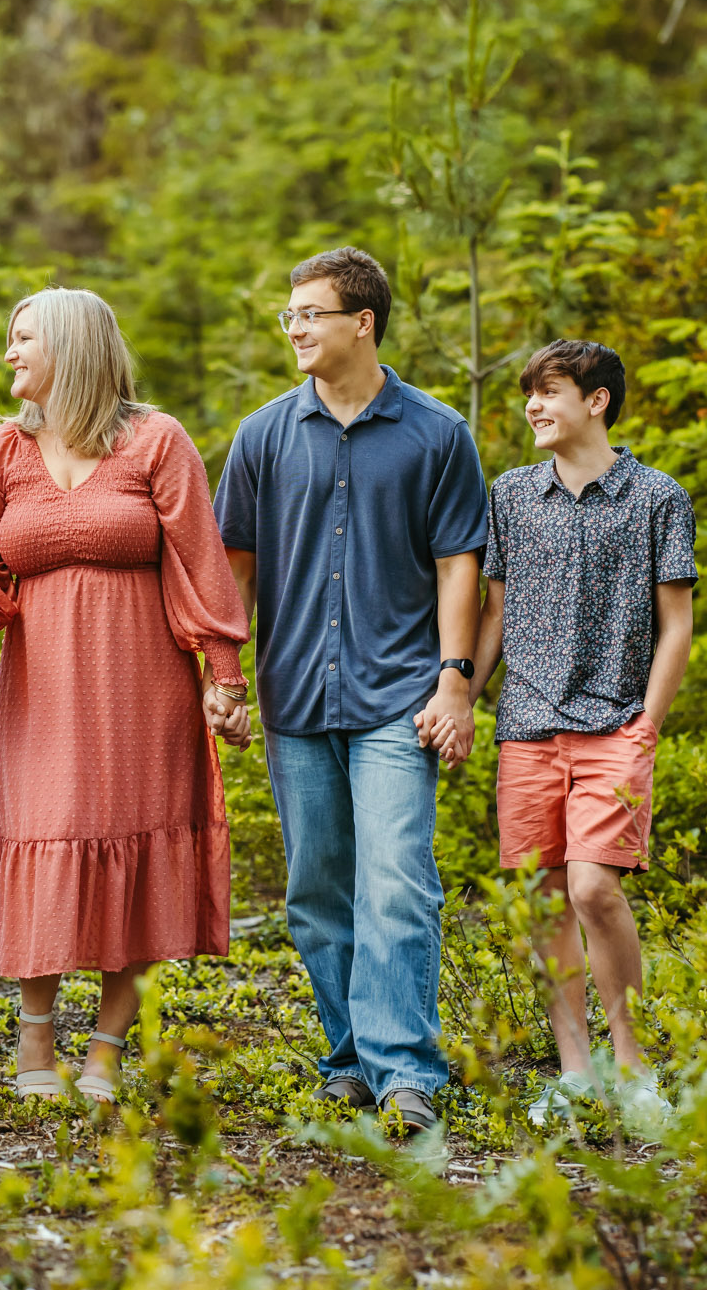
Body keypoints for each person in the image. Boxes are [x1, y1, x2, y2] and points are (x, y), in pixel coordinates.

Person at [0, 289, 252, 1103]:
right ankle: (35, 1040)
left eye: (24, 338)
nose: (10, 352)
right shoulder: (0, 452)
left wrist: (225, 676)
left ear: (71, 348)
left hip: (143, 686)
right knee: (45, 830)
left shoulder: (156, 441)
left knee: (133, 838)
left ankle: (106, 1052)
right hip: (42, 688)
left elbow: (201, 565)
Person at [214, 246, 487, 1137]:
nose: (294, 328)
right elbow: (234, 571)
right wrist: (225, 678)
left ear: (362, 323)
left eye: (310, 313)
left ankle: (406, 1069)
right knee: (317, 889)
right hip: (294, 695)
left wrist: (456, 680)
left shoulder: (438, 434)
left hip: (399, 695)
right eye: (288, 315)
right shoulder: (262, 436)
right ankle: (349, 1059)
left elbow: (459, 564)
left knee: (399, 882)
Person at [448, 340, 696, 1138]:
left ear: (596, 401)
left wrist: (648, 722)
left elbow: (677, 623)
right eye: (529, 392)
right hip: (525, 727)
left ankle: (633, 1065)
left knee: (595, 887)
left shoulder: (658, 496)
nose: (532, 405)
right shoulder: (512, 494)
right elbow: (494, 613)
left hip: (616, 723)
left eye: (549, 390)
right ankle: (576, 1073)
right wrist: (461, 698)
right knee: (545, 899)